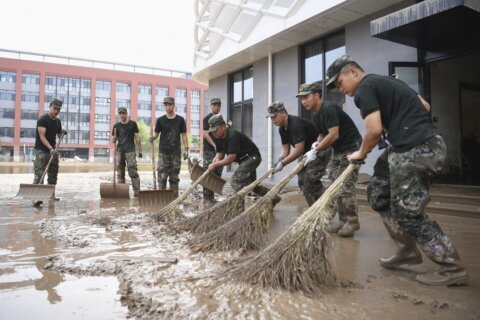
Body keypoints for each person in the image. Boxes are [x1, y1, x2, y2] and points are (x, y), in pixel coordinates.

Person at [327, 54, 468, 286]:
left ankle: (451, 266)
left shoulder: (364, 89)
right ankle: (407, 250)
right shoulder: (391, 82)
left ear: (353, 71)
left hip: (417, 148)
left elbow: (372, 131)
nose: (339, 89)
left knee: (409, 213)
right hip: (411, 146)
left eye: (339, 82)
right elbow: (424, 105)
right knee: (378, 194)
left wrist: (361, 153)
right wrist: (398, 120)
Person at [297, 82, 362, 237]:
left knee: (345, 184)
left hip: (351, 147)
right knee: (334, 184)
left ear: (317, 95)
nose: (303, 101)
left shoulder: (328, 109)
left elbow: (333, 134)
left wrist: (317, 150)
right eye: (301, 98)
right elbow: (322, 134)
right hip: (338, 150)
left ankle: (352, 222)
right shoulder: (316, 114)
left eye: (306, 97)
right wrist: (316, 144)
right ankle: (342, 220)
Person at [206, 114, 280, 205]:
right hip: (243, 160)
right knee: (252, 186)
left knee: (236, 181)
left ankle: (237, 207)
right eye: (212, 131)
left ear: (223, 126)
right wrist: (215, 159)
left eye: (215, 130)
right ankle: (273, 198)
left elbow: (230, 159)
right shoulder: (217, 137)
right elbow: (220, 152)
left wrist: (215, 165)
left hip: (252, 157)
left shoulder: (232, 136)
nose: (214, 133)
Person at [267, 101, 328, 206]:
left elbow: (298, 150)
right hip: (306, 154)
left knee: (310, 179)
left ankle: (328, 203)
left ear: (283, 113)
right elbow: (285, 149)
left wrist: (283, 163)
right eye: (271, 118)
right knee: (302, 182)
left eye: (274, 116)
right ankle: (314, 209)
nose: (273, 120)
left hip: (319, 150)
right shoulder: (282, 129)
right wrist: (279, 160)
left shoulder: (295, 124)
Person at [150, 96, 188, 197]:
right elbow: (156, 134)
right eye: (166, 105)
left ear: (173, 105)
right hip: (163, 152)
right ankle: (161, 198)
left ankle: (174, 199)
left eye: (170, 105)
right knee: (162, 176)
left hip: (176, 152)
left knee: (174, 177)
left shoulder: (180, 120)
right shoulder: (160, 120)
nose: (168, 107)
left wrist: (186, 149)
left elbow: (184, 135)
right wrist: (153, 138)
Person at [33, 98, 67, 199]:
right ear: (50, 107)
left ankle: (51, 195)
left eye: (58, 109)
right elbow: (42, 136)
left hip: (53, 151)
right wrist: (50, 148)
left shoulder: (57, 121)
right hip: (42, 151)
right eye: (55, 108)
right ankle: (36, 197)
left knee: (53, 174)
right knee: (40, 173)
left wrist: (62, 133)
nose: (56, 111)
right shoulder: (43, 120)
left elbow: (58, 134)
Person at [112, 107, 142, 197]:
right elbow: (114, 139)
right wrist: (113, 139)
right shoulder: (116, 126)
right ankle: (122, 193)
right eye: (120, 113)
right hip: (119, 151)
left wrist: (140, 149)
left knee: (132, 170)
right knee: (120, 171)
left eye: (123, 113)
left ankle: (137, 193)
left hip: (130, 151)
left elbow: (137, 137)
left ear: (126, 114)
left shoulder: (132, 124)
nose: (121, 115)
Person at [202, 97, 223, 204]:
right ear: (211, 106)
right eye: (214, 105)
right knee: (208, 173)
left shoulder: (221, 120)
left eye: (218, 105)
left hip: (220, 151)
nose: (216, 107)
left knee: (217, 175)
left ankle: (212, 197)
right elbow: (205, 134)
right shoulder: (207, 119)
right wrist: (214, 145)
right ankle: (206, 197)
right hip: (209, 151)